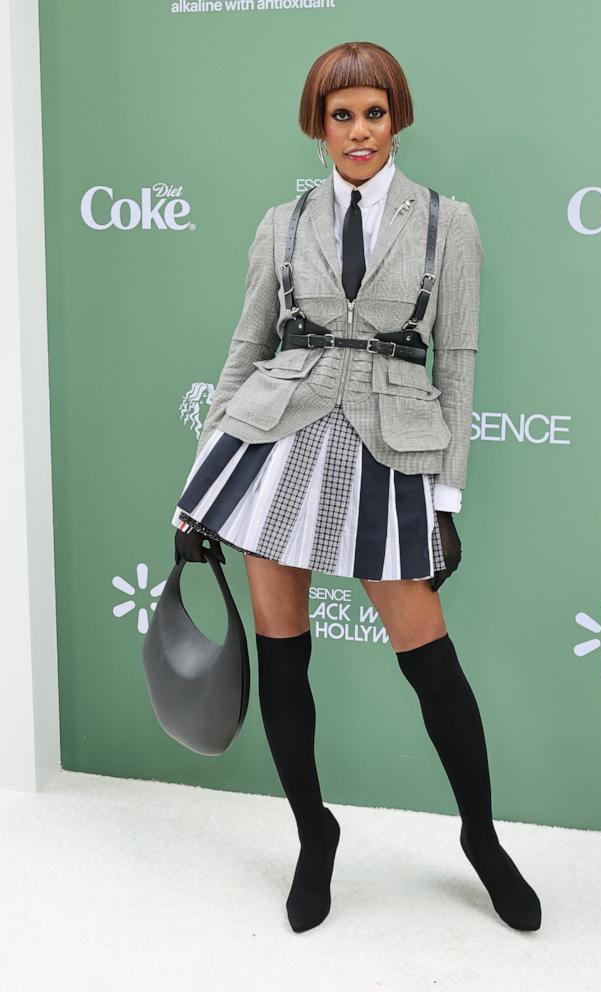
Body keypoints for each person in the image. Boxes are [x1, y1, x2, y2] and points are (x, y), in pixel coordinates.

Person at [172, 41, 541, 934]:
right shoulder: (279, 222)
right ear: (319, 126)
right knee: (283, 652)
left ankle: (482, 842)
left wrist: (444, 500)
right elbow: (243, 350)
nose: (360, 131)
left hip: (391, 441)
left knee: (430, 661)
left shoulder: (447, 222)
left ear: (396, 118)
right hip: (272, 439)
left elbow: (455, 363)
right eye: (342, 116)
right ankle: (313, 835)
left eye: (374, 112)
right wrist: (196, 486)